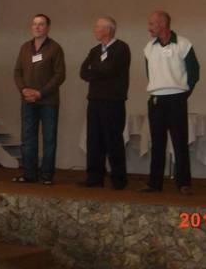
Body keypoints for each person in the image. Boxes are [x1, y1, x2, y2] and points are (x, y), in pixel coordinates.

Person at [140, 11, 200, 195]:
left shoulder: (183, 44)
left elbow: (194, 72)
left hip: (177, 98)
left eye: (152, 24)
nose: (148, 27)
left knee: (179, 142)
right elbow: (150, 74)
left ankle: (183, 183)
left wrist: (182, 95)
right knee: (157, 142)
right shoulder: (149, 48)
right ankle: (154, 183)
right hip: (156, 99)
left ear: (162, 24)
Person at [12, 14, 66, 185]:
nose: (37, 27)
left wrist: (40, 93)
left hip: (48, 101)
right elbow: (17, 72)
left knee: (49, 139)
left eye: (41, 24)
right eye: (35, 24)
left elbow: (60, 75)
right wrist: (23, 90)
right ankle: (29, 174)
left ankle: (47, 175)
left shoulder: (55, 48)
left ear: (47, 28)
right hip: (27, 100)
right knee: (28, 138)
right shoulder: (25, 47)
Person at [79, 17, 130, 190]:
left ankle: (118, 179)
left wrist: (95, 70)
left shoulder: (121, 48)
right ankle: (94, 177)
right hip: (94, 100)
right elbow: (83, 71)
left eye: (98, 27)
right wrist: (98, 70)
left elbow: (111, 69)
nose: (94, 30)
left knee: (113, 139)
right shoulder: (94, 50)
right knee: (94, 139)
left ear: (108, 30)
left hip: (113, 101)